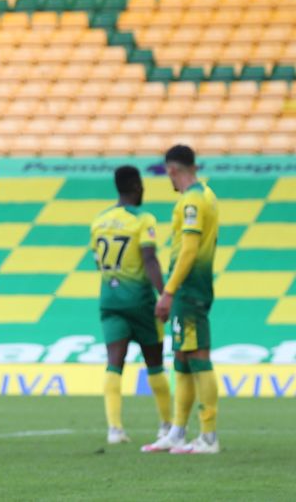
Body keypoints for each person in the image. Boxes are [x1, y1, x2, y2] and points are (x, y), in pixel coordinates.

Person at [142, 144, 220, 455]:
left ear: (173, 170)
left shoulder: (192, 201)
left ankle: (209, 436)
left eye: (168, 174)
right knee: (184, 359)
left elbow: (188, 250)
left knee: (198, 356)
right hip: (190, 289)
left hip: (189, 289)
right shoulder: (206, 195)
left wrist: (169, 290)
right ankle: (177, 431)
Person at [90, 166, 171, 445]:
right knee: (155, 364)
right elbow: (149, 258)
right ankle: (166, 426)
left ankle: (115, 429)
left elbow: (97, 261)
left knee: (114, 363)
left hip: (110, 301)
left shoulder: (99, 221)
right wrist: (165, 293)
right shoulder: (143, 219)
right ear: (137, 186)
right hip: (141, 301)